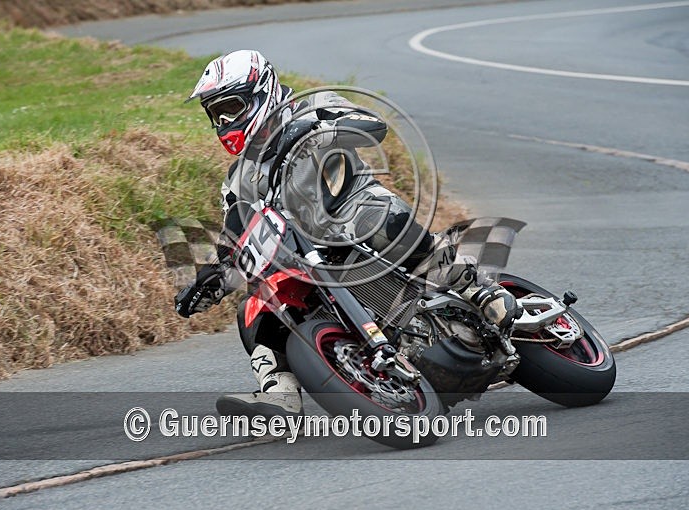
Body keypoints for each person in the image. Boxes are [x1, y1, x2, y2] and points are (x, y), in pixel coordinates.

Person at [174, 50, 519, 419]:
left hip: (354, 217)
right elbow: (236, 239)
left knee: (375, 215)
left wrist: (319, 128)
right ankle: (280, 393)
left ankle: (477, 288)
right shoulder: (237, 182)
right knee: (255, 304)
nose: (225, 122)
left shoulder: (312, 107)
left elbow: (371, 124)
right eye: (216, 114)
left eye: (231, 107)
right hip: (303, 257)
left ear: (262, 91)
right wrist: (211, 278)